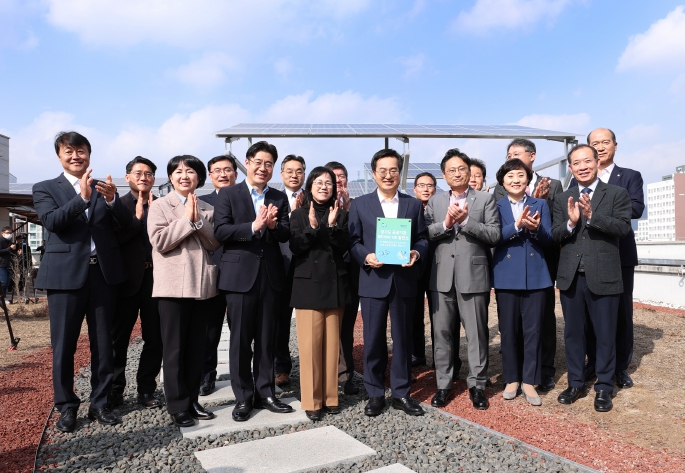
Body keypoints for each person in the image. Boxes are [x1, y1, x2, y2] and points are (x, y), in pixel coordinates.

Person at [33, 131, 132, 433]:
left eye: (81, 151)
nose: (76, 156)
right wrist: (83, 198)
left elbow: (128, 228)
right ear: (59, 156)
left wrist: (113, 201)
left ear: (89, 154)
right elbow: (52, 222)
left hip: (102, 275)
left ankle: (100, 403)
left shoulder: (105, 188)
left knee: (104, 343)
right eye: (69, 151)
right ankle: (66, 406)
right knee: (64, 345)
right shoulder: (45, 188)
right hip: (65, 277)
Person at [213, 141, 294, 422]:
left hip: (270, 277)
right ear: (247, 163)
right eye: (258, 162)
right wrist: (253, 226)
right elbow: (221, 231)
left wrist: (272, 226)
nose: (263, 168)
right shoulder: (229, 194)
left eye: (268, 164)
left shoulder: (278, 197)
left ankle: (266, 392)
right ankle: (243, 397)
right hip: (239, 278)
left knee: (266, 339)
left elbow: (285, 233)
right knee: (240, 341)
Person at [348, 148, 428, 417]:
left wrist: (416, 253)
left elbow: (422, 238)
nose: (388, 175)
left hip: (403, 280)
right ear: (374, 174)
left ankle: (401, 393)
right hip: (373, 279)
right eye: (382, 170)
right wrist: (366, 256)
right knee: (372, 339)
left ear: (400, 173)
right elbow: (353, 241)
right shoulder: (360, 204)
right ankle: (374, 393)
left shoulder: (412, 205)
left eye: (393, 170)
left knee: (403, 339)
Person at [553, 144, 631, 412]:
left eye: (587, 161)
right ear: (570, 168)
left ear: (597, 162)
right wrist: (571, 223)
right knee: (574, 333)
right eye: (576, 163)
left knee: (606, 334)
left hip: (605, 275)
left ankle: (604, 387)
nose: (582, 167)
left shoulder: (617, 193)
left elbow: (623, 227)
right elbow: (554, 234)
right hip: (571, 277)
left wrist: (592, 217)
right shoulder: (563, 198)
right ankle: (575, 383)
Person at [147, 155, 222, 427]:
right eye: (178, 172)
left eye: (190, 171)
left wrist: (198, 218)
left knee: (197, 348)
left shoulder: (207, 207)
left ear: (199, 178)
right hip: (172, 286)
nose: (184, 176)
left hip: (202, 285)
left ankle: (192, 400)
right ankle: (177, 405)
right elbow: (160, 241)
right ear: (170, 177)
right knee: (175, 349)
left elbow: (214, 243)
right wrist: (187, 220)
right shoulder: (159, 205)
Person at [425, 148, 500, 410]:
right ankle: (443, 384)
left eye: (462, 169)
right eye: (451, 170)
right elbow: (425, 233)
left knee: (477, 333)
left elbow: (494, 235)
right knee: (442, 333)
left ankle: (477, 385)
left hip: (474, 275)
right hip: (441, 277)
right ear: (443, 174)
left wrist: (467, 221)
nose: (457, 174)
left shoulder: (485, 199)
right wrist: (446, 224)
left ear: (470, 172)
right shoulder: (435, 201)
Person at [494, 138, 563, 393]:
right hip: (506, 275)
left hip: (536, 275)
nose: (516, 180)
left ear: (528, 178)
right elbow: (494, 237)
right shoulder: (495, 205)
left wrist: (535, 229)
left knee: (534, 331)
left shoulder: (540, 204)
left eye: (521, 175)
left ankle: (530, 380)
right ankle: (511, 378)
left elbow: (549, 239)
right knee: (508, 330)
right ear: (503, 182)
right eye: (510, 176)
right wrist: (517, 226)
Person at [580, 128, 644, 389]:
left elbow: (636, 208)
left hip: (620, 253)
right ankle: (594, 361)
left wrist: (599, 210)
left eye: (605, 142)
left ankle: (620, 367)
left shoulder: (629, 176)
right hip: (589, 254)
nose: (600, 147)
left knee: (621, 312)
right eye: (595, 143)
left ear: (615, 145)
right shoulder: (579, 177)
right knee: (590, 311)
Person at [289, 166, 350, 421]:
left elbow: (344, 247)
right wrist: (312, 228)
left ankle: (331, 397)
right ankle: (312, 401)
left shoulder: (341, 214)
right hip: (308, 287)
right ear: (310, 186)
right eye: (319, 182)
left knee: (332, 345)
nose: (324, 187)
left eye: (328, 183)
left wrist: (333, 226)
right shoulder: (298, 214)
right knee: (310, 346)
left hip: (335, 285)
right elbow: (295, 247)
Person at [109, 156, 163, 410]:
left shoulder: (162, 205)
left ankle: (146, 389)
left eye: (149, 174)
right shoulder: (115, 205)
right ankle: (115, 390)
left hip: (157, 280)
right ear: (127, 177)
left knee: (155, 338)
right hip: (125, 281)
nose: (144, 177)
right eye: (138, 173)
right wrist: (137, 219)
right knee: (118, 339)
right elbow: (112, 242)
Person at [198, 154, 238, 396]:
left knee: (241, 329)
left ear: (236, 173)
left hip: (240, 275)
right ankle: (206, 375)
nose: (223, 174)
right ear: (210, 175)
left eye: (228, 169)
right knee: (209, 329)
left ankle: (241, 377)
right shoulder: (200, 202)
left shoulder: (245, 199)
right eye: (217, 170)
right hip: (211, 272)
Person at [325, 161, 360, 396]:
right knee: (327, 326)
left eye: (341, 177)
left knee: (346, 326)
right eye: (333, 177)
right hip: (326, 276)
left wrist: (347, 210)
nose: (338, 181)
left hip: (352, 274)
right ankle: (325, 375)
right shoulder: (318, 205)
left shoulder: (357, 206)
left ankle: (346, 375)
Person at [275, 154, 306, 387]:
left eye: (299, 171)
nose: (294, 175)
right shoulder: (272, 199)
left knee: (310, 322)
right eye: (289, 171)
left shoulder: (314, 197)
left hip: (308, 268)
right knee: (280, 321)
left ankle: (313, 368)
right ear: (282, 174)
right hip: (281, 267)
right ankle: (281, 368)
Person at [411, 172, 437, 368]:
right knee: (414, 313)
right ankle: (418, 354)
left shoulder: (442, 207)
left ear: (435, 189)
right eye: (421, 185)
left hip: (437, 267)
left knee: (439, 314)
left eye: (429, 185)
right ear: (414, 189)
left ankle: (440, 357)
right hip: (415, 267)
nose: (425, 189)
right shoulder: (409, 208)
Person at [0, 227, 16, 298]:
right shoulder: (0, 241)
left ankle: (4, 297)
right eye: (7, 233)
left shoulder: (10, 242)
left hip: (10, 265)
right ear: (2, 233)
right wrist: (10, 248)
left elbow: (12, 253)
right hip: (2, 265)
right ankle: (2, 299)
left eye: (11, 233)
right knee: (3, 283)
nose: (9, 234)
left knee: (8, 283)